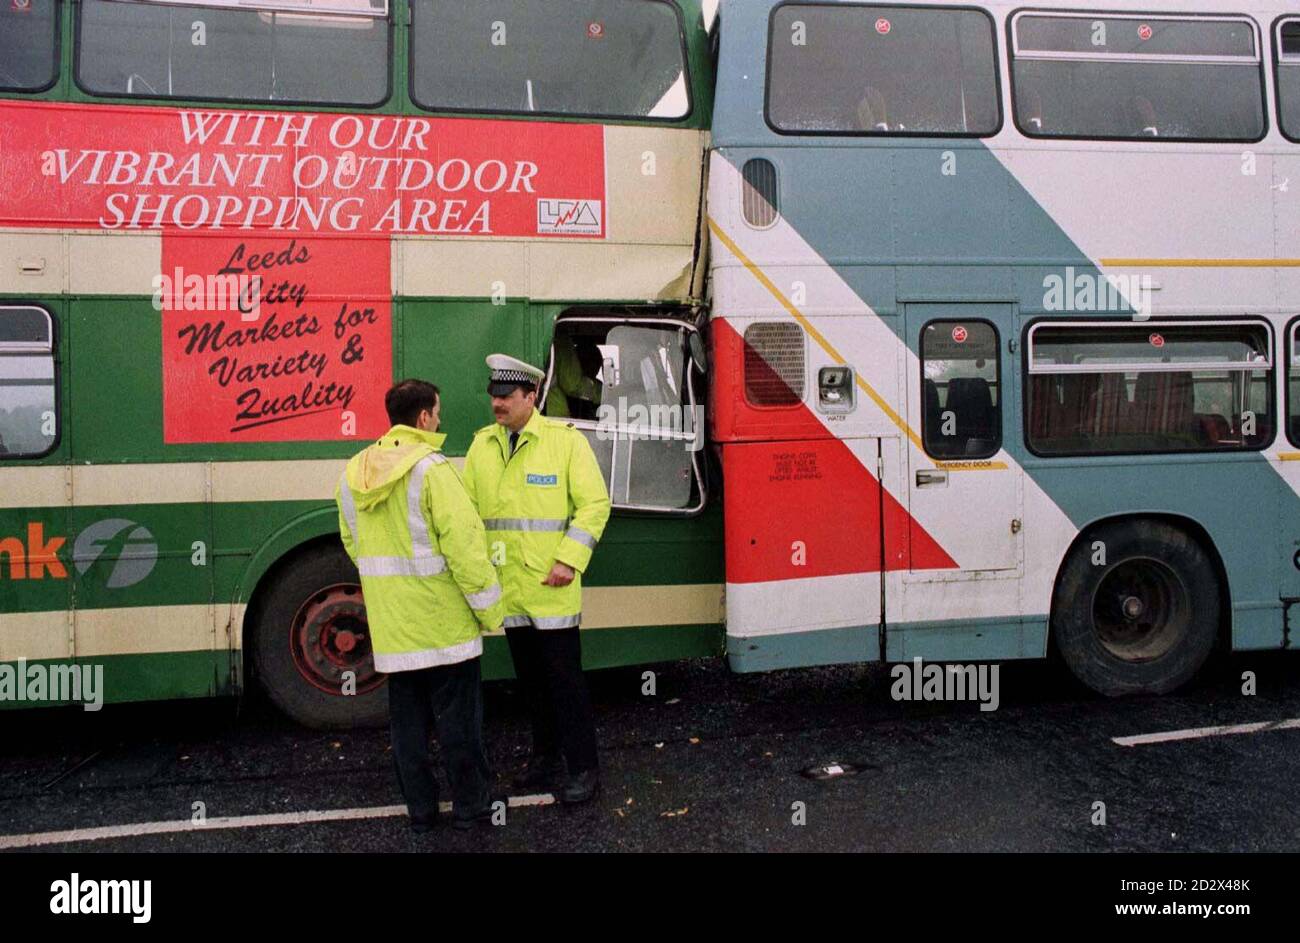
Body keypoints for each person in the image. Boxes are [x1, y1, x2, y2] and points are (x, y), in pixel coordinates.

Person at [335, 379, 504, 832]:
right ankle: (470, 807)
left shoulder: (355, 471)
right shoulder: (433, 470)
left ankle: (422, 811)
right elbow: (465, 550)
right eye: (438, 412)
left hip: (394, 629)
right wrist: (489, 611)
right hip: (444, 627)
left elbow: (354, 543)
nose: (440, 419)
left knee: (407, 727)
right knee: (458, 724)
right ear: (425, 417)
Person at [463, 354, 612, 803]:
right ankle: (546, 761)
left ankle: (584, 770)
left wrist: (569, 560)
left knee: (565, 685)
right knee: (531, 685)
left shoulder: (564, 442)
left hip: (552, 589)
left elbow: (593, 505)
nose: (497, 404)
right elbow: (468, 514)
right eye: (493, 396)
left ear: (532, 396)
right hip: (509, 592)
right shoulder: (482, 445)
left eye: (506, 396)